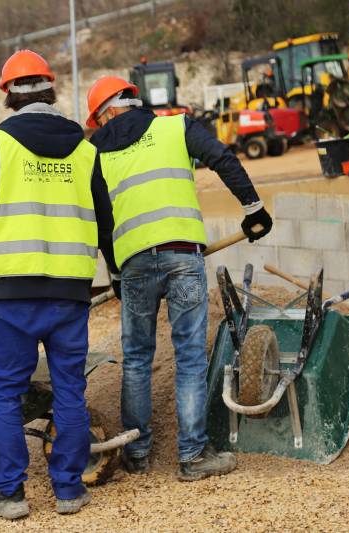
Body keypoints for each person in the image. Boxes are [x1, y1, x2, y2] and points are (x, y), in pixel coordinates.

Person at [0, 50, 118, 519]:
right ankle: (68, 491)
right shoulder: (86, 149)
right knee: (69, 391)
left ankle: (10, 496)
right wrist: (117, 272)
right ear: (51, 90)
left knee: (6, 394)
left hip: (14, 294)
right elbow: (105, 221)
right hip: (70, 293)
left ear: (8, 95)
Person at [85, 76, 273, 481]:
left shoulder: (93, 151)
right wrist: (253, 207)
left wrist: (115, 270)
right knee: (189, 357)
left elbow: (102, 221)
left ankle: (137, 453)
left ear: (109, 112)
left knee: (135, 359)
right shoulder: (176, 126)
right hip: (183, 255)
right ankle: (192, 456)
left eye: (99, 121)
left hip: (134, 262)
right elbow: (222, 157)